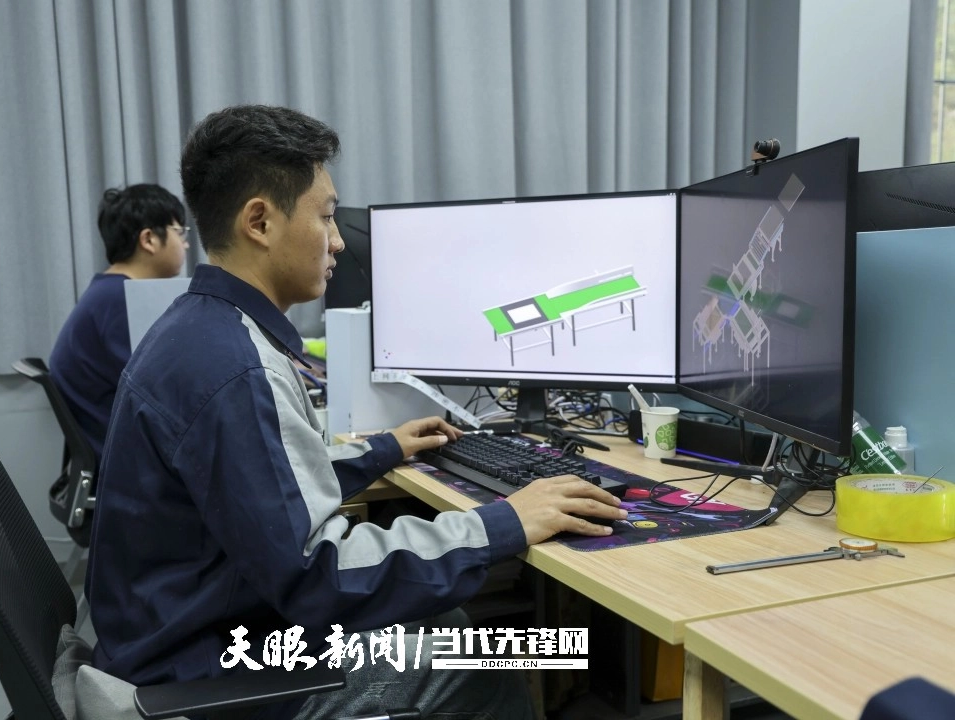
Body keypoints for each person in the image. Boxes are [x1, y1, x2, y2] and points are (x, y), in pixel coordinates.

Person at [85, 105, 626, 720]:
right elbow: (320, 575)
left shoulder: (202, 330)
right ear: (260, 221)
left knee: (453, 622)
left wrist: (383, 450)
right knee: (491, 662)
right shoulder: (234, 368)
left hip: (192, 632)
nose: (339, 240)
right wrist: (503, 523)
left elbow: (266, 491)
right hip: (214, 676)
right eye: (326, 216)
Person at [48, 183, 189, 463]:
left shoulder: (107, 292)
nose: (185, 243)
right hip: (128, 461)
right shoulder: (120, 301)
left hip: (115, 449)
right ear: (149, 239)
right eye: (180, 232)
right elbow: (160, 393)